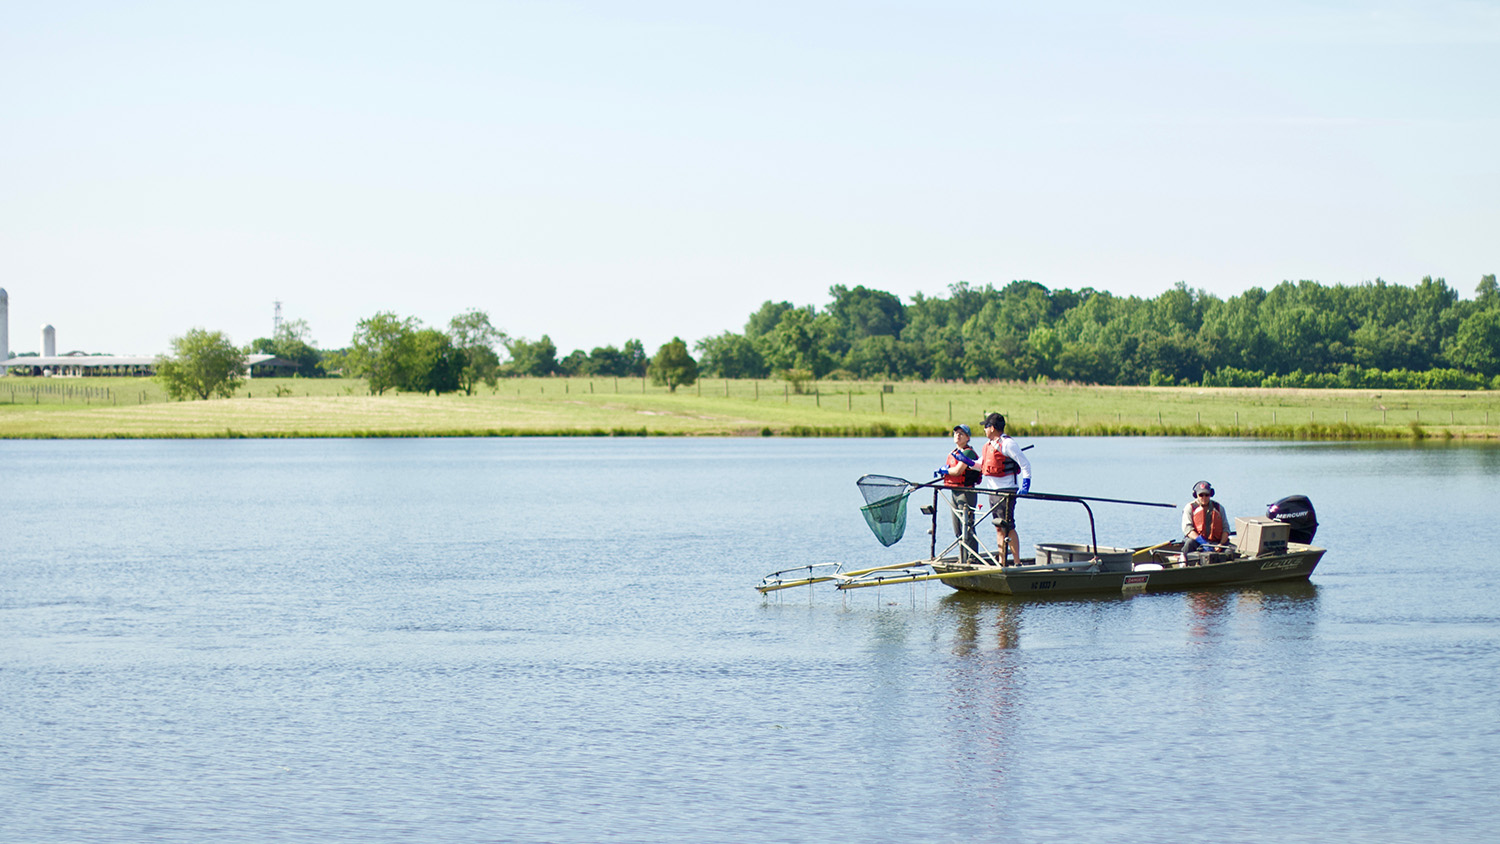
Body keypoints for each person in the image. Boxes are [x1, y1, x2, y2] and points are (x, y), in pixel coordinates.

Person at [978, 412, 1031, 567]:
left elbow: (1025, 464)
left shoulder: (1008, 444)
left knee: (1008, 526)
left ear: (992, 428)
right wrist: (966, 461)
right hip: (993, 491)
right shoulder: (988, 446)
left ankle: (1017, 562)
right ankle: (1002, 562)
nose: (984, 430)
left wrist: (1026, 485)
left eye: (986, 427)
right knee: (998, 527)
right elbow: (980, 465)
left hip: (1006, 490)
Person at [936, 423, 981, 558]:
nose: (958, 435)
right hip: (954, 492)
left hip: (966, 492)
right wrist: (942, 472)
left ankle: (972, 558)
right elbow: (952, 471)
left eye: (961, 433)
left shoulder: (968, 453)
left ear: (968, 438)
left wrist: (945, 470)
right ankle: (963, 557)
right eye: (956, 433)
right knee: (957, 528)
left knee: (967, 526)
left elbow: (957, 471)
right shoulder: (954, 452)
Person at [1181, 480, 1230, 555]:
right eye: (1201, 495)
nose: (1204, 497)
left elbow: (1226, 529)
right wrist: (1202, 542)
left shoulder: (1219, 508)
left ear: (1211, 494)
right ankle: (1184, 560)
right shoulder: (1190, 508)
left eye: (1206, 495)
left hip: (1215, 543)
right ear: (1196, 495)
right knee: (1189, 543)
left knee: (1229, 552)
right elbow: (1188, 529)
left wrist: (1221, 544)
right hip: (1196, 541)